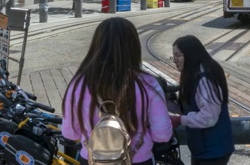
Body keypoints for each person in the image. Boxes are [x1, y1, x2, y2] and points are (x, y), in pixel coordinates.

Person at [61, 17, 173, 165]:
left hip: (91, 159)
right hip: (138, 160)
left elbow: (70, 133)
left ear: (97, 45)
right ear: (133, 46)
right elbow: (162, 135)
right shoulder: (147, 83)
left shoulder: (79, 84)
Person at [170, 35, 234, 165]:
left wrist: (180, 119)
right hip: (203, 148)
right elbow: (192, 106)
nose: (175, 60)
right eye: (173, 56)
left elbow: (209, 117)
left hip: (213, 150)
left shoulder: (205, 78)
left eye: (178, 55)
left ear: (190, 54)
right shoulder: (194, 73)